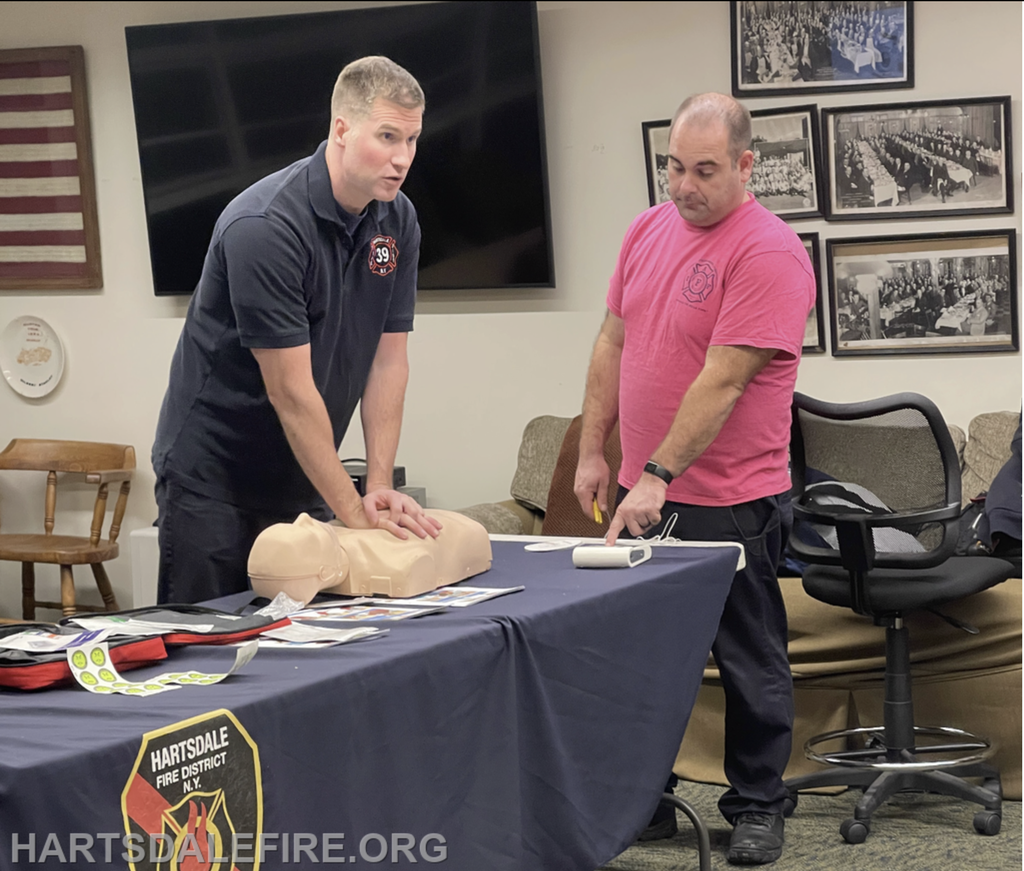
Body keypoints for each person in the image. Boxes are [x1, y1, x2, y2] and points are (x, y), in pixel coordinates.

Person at [574, 93, 815, 866]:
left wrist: (657, 474)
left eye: (705, 170)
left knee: (748, 660)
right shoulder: (647, 229)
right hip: (647, 490)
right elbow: (611, 341)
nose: (684, 185)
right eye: (675, 166)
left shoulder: (769, 252)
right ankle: (647, 800)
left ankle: (757, 802)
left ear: (748, 166)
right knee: (640, 658)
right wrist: (591, 449)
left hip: (730, 496)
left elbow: (722, 379)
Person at [152, 56, 440, 605]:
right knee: (206, 644)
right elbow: (290, 391)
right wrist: (355, 516)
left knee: (302, 645)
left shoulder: (398, 219)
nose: (403, 158)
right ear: (340, 129)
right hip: (215, 478)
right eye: (387, 136)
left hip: (302, 471)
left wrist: (377, 486)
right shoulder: (264, 227)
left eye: (412, 139)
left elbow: (388, 361)